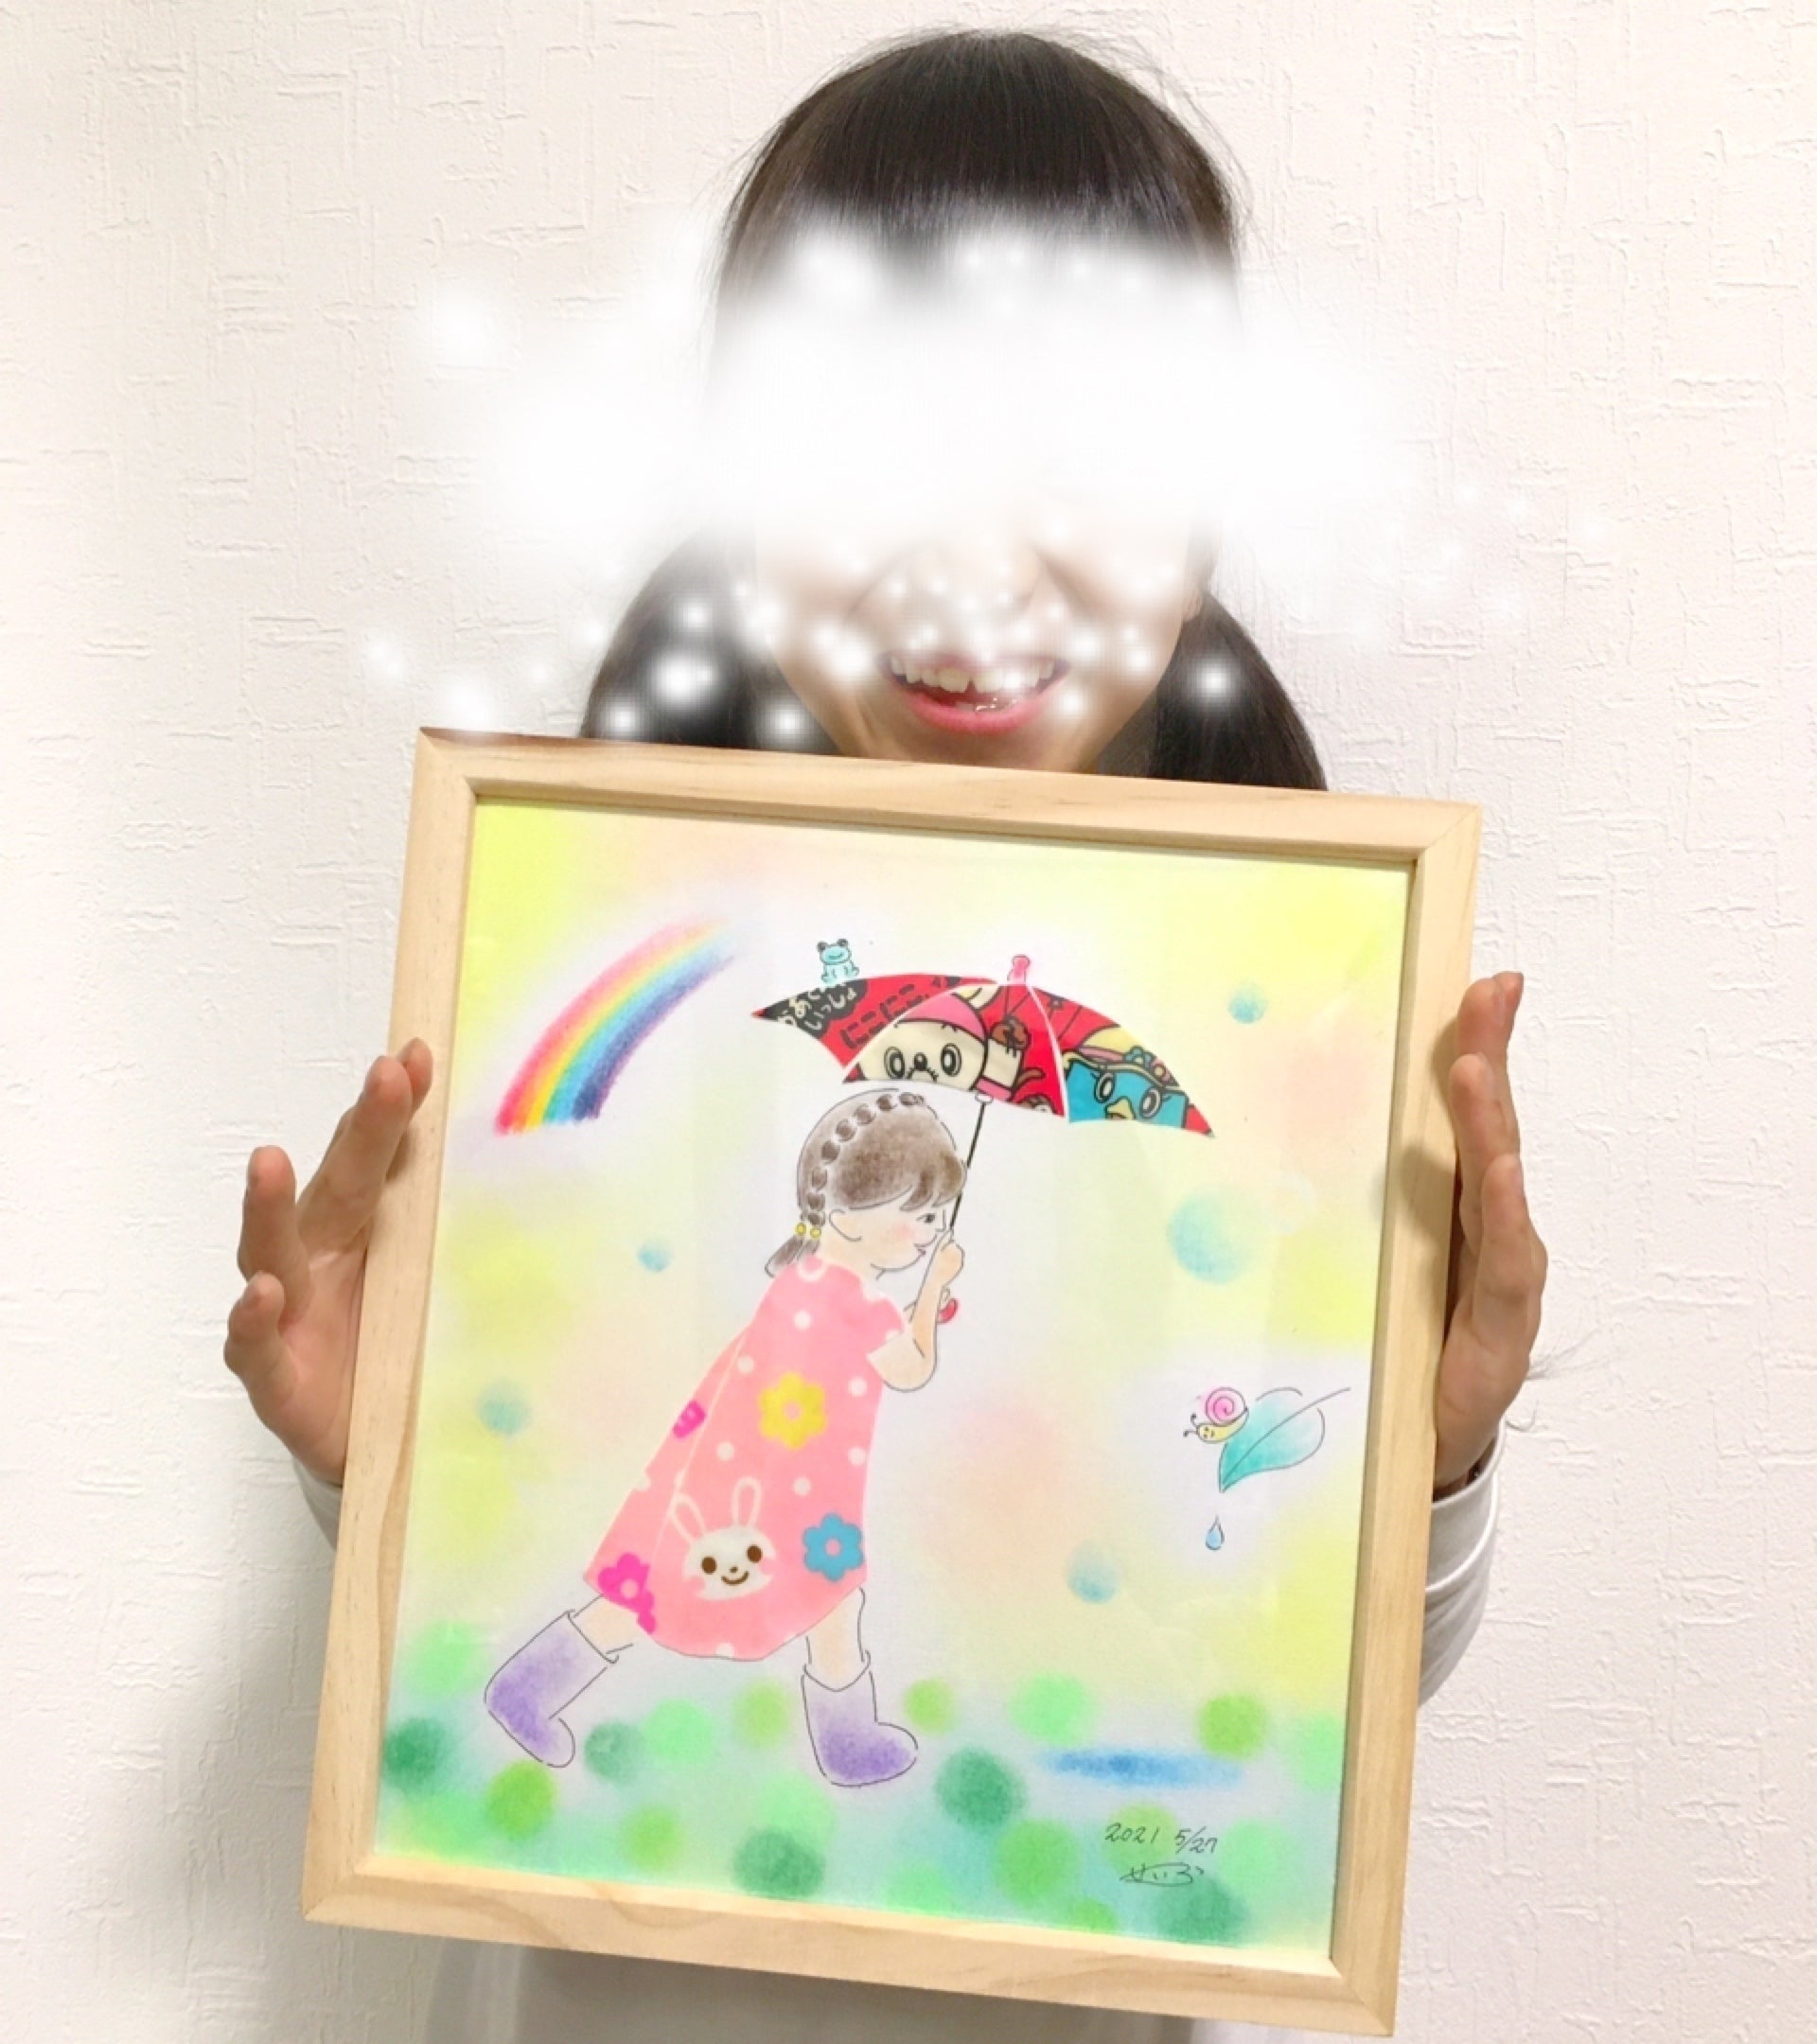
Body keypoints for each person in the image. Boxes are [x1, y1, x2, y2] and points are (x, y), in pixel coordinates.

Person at [225, 29, 1545, 2044]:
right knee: (679, 1566)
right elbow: (491, 1549)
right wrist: (375, 1449)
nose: (969, 558)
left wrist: (1422, 1465)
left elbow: (1286, 1698)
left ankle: (826, 1713)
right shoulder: (593, 946)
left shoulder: (1299, 1019)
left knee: (800, 1581)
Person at [485, 1090, 967, 1788]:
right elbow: (912, 1368)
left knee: (659, 1588)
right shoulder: (861, 1305)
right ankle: (846, 1744)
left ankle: (528, 1687)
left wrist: (920, 1302)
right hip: (786, 1494)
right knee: (820, 1594)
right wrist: (932, 1293)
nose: (928, 1232)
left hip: (735, 1475)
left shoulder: (802, 1279)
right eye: (918, 1214)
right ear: (847, 1216)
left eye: (936, 1216)